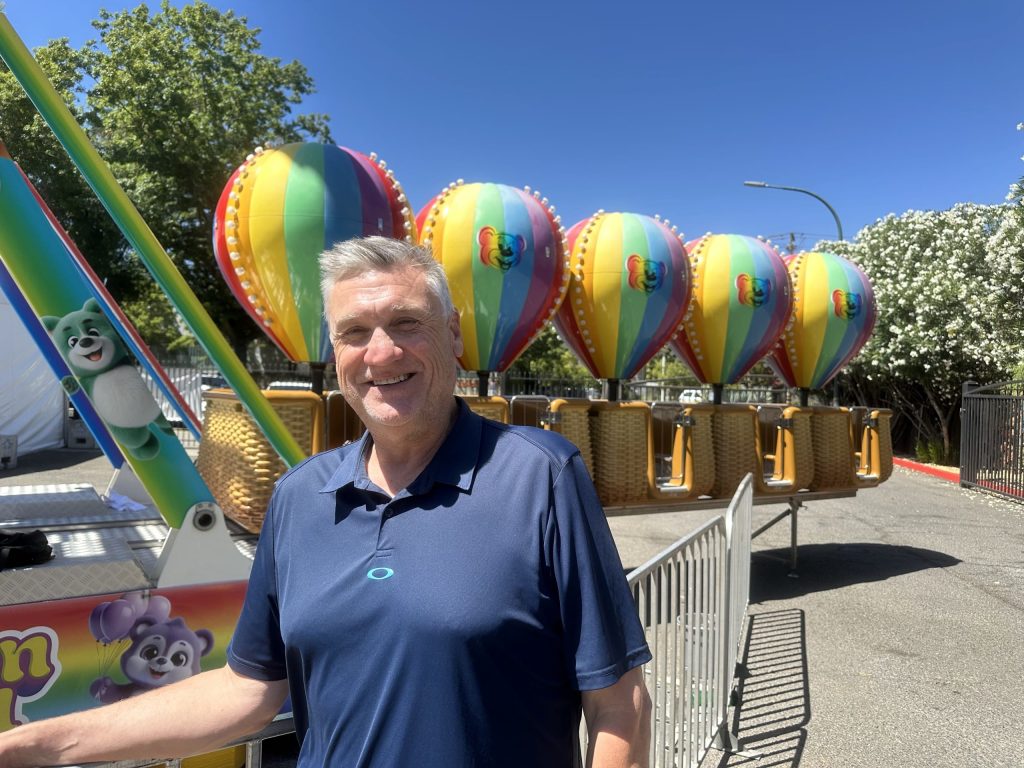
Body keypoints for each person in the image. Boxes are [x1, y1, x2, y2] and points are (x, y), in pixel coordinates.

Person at [0, 236, 651, 768]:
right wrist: (40, 744)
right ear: (334, 352)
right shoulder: (300, 497)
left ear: (453, 335)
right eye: (355, 331)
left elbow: (620, 708)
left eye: (406, 325)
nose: (381, 353)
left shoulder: (540, 476)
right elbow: (249, 691)